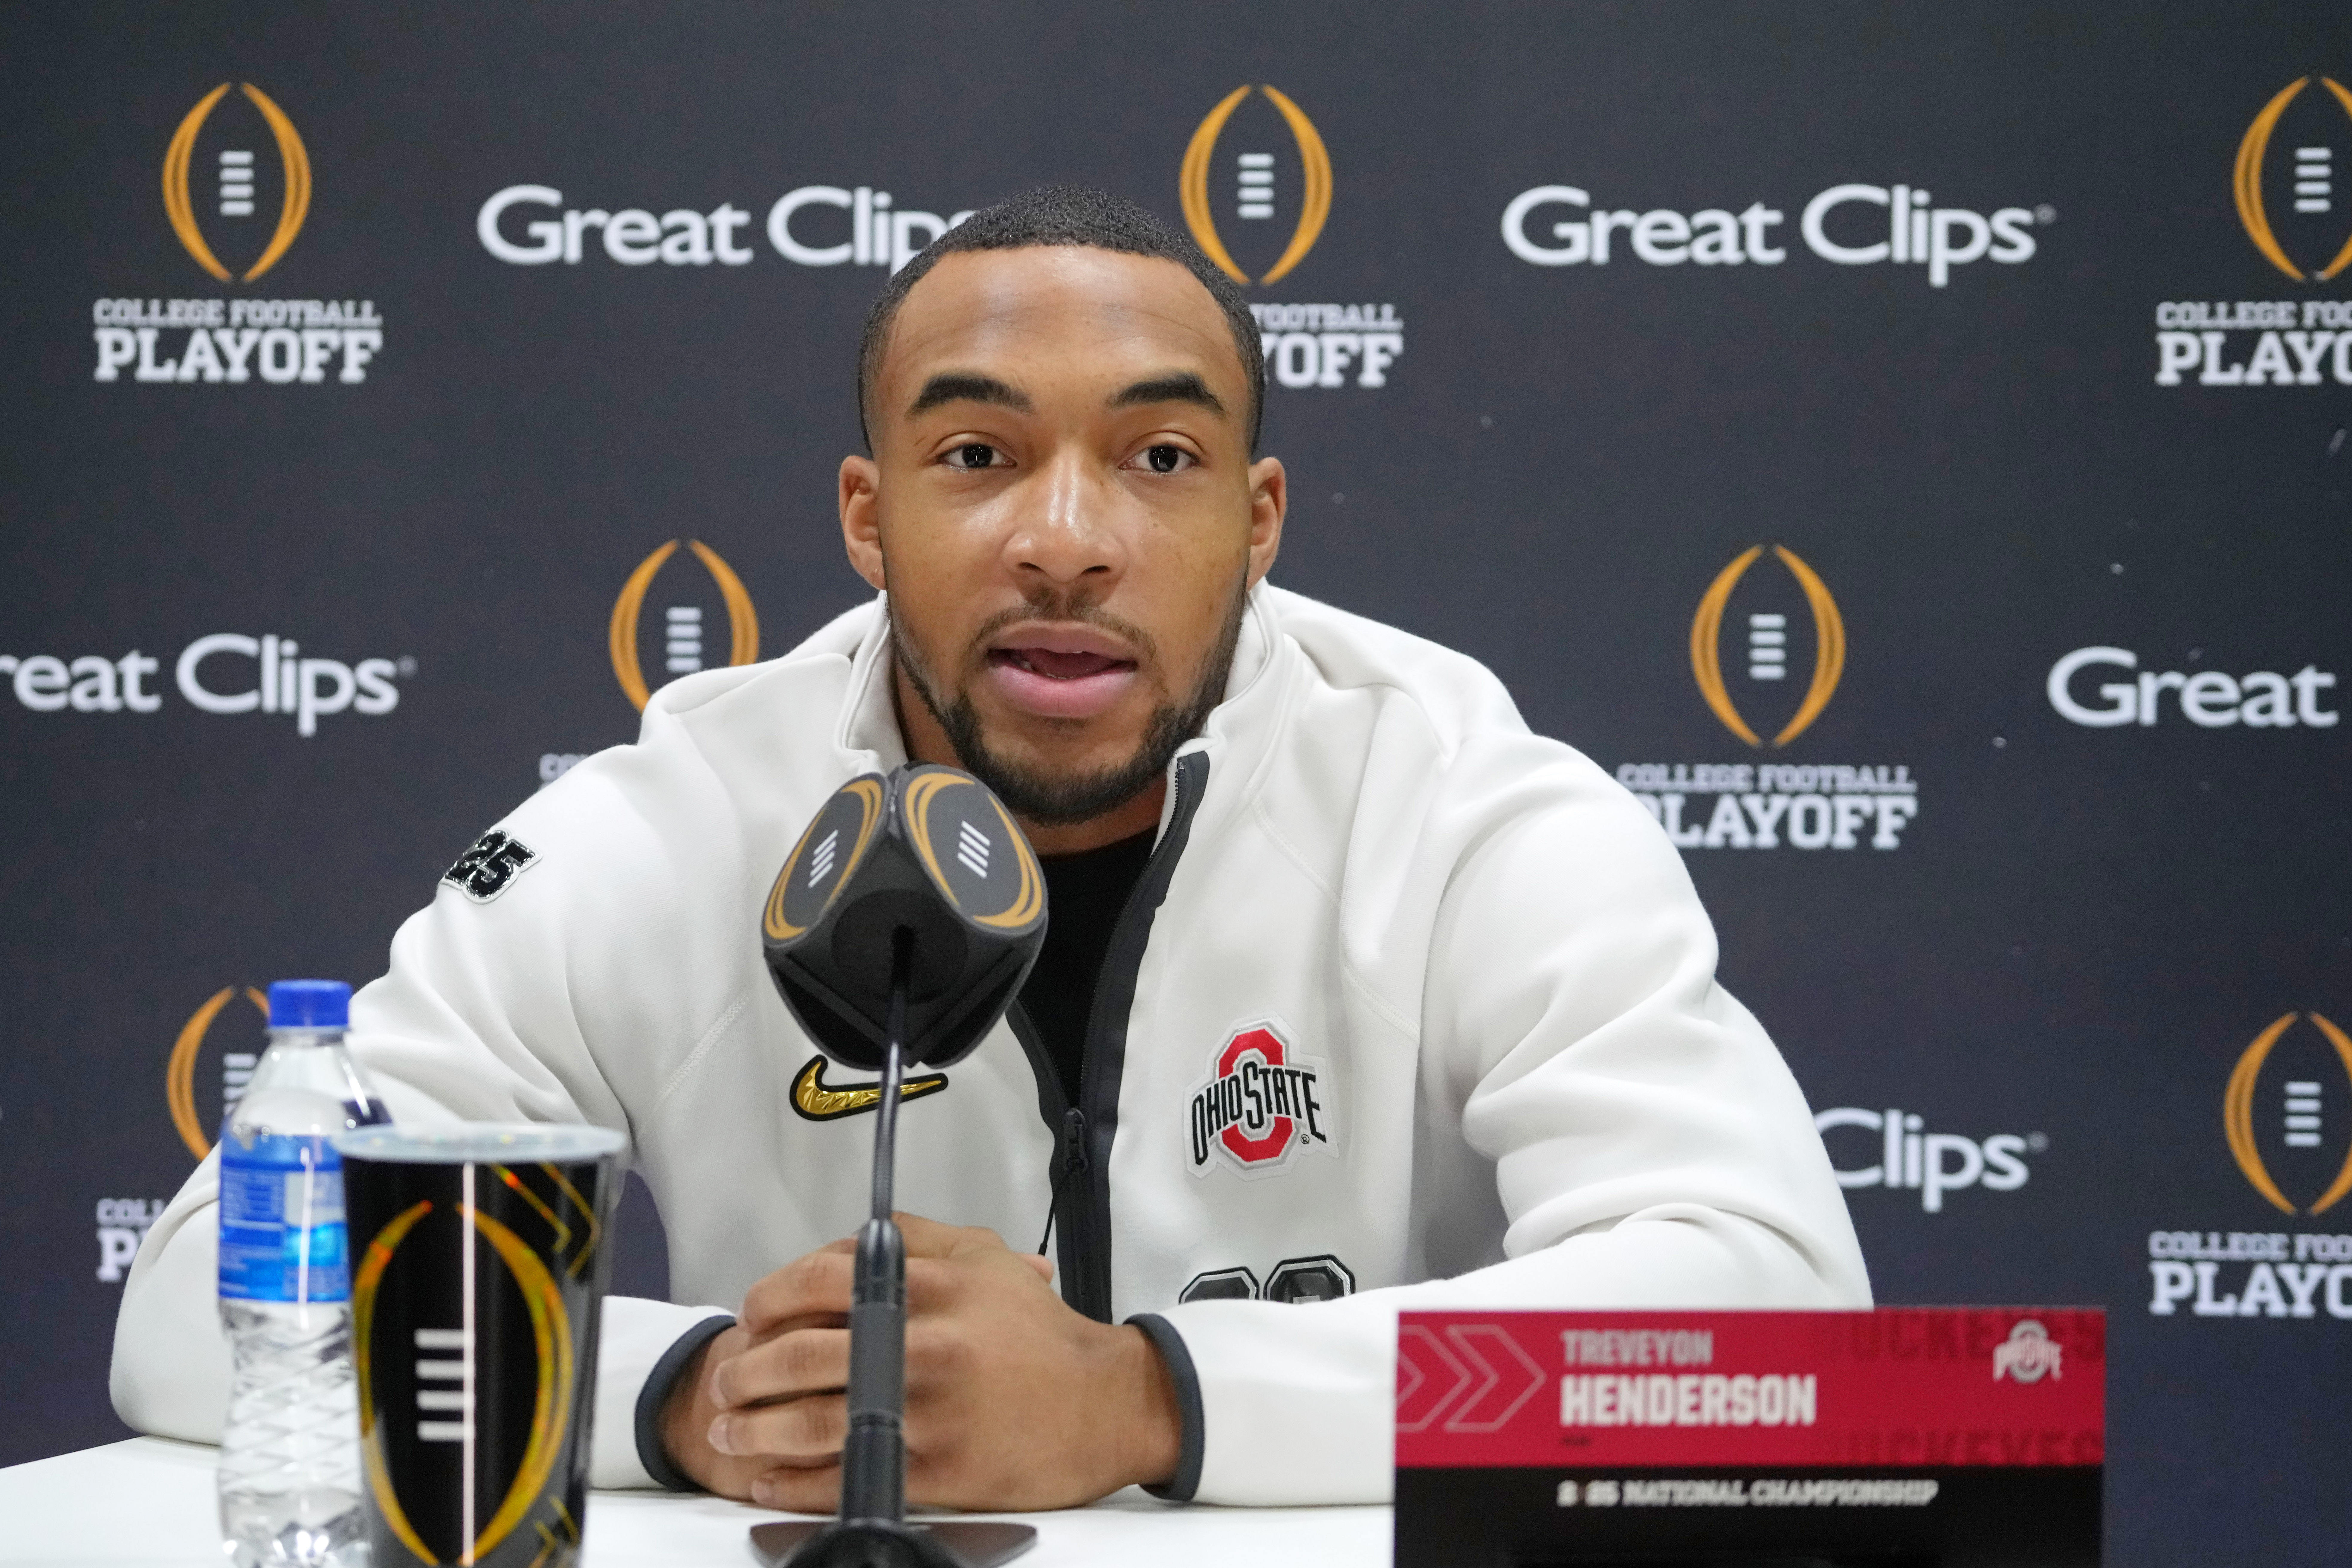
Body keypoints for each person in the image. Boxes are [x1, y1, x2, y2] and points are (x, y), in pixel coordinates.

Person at [113, 186, 1870, 1511]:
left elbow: (1788, 1332)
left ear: (1257, 520)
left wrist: (1157, 1400)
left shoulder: (1464, 803)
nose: (1066, 539)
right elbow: (210, 1293)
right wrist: (691, 1393)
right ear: (869, 516)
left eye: (1160, 455)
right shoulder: (673, 823)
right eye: (976, 454)